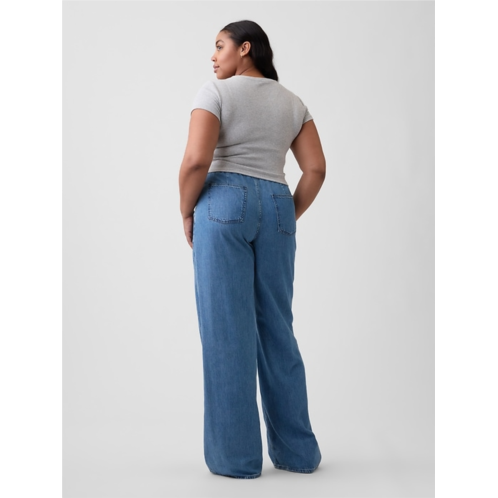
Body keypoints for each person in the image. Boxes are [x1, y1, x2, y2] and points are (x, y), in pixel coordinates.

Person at [179, 20, 326, 480]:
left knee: (227, 331)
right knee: (277, 328)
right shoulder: (293, 103)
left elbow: (197, 161)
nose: (213, 56)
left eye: (219, 46)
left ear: (245, 48)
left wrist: (186, 210)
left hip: (222, 203)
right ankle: (298, 454)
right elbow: (316, 169)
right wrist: (285, 216)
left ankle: (236, 460)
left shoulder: (216, 93)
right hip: (278, 202)